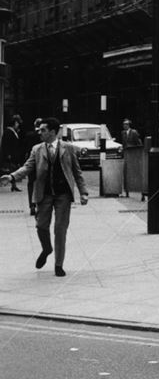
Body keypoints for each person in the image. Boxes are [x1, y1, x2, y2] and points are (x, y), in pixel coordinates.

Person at [0, 116, 88, 276]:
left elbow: (77, 172)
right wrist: (12, 177)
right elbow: (27, 167)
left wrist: (83, 193)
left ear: (53, 132)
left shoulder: (68, 148)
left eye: (43, 130)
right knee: (41, 226)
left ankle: (58, 265)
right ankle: (47, 248)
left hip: (63, 195)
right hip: (44, 194)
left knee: (60, 229)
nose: (39, 132)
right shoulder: (37, 149)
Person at [21, 118, 42, 215]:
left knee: (31, 184)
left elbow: (25, 149)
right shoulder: (43, 136)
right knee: (42, 183)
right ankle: (40, 204)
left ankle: (32, 205)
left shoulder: (29, 135)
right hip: (42, 162)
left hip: (32, 162)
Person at [1, 115, 24, 190]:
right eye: (17, 123)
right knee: (11, 169)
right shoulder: (8, 132)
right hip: (10, 154)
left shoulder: (13, 132)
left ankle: (14, 185)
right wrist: (8, 154)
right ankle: (12, 184)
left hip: (13, 153)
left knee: (13, 169)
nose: (18, 125)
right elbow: (6, 144)